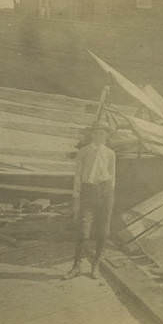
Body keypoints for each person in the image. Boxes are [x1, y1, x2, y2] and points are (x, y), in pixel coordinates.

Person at [63, 120, 116, 280]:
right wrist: (76, 198)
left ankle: (96, 266)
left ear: (106, 135)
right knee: (83, 231)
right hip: (88, 191)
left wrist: (109, 193)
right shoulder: (84, 152)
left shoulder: (110, 153)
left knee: (103, 231)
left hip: (105, 192)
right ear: (91, 134)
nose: (99, 136)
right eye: (96, 133)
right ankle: (76, 266)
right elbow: (78, 176)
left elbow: (113, 176)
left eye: (102, 133)